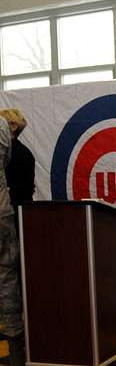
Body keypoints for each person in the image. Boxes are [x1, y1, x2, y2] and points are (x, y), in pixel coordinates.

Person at [0, 116, 25, 366]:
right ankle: (16, 349)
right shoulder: (1, 126)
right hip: (2, 214)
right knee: (7, 277)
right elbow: (6, 161)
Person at [0, 109, 35, 235]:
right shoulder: (20, 152)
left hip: (15, 216)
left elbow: (24, 190)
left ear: (13, 127)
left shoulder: (20, 154)